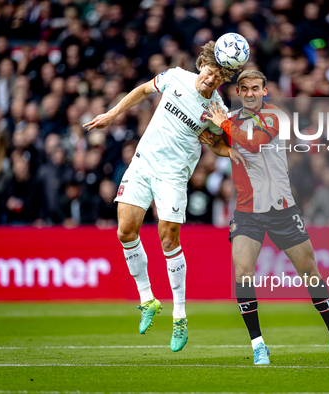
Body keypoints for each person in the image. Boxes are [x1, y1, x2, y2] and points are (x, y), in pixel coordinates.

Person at [83, 41, 245, 352]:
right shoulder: (175, 77)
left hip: (173, 175)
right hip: (143, 163)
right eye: (210, 73)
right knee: (125, 231)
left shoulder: (217, 110)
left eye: (218, 78)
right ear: (202, 66)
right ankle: (147, 299)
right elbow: (143, 90)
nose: (211, 80)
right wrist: (112, 113)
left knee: (168, 240)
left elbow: (216, 144)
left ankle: (180, 316)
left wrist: (237, 153)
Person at [199, 70, 329, 366]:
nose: (250, 93)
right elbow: (212, 141)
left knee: (310, 272)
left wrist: (223, 126)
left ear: (264, 91)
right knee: (242, 272)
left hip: (282, 209)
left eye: (255, 88)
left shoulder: (275, 116)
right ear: (238, 92)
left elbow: (254, 142)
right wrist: (223, 148)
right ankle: (258, 346)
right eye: (245, 89)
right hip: (247, 211)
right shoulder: (231, 120)